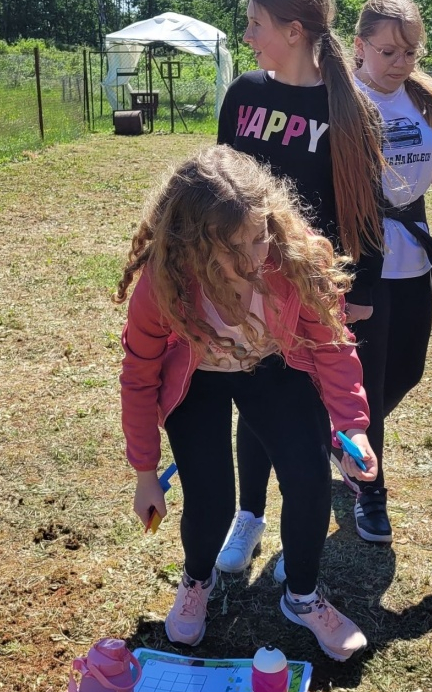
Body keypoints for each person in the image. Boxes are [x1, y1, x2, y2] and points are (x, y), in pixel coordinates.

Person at [116, 146, 378, 662]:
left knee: (308, 478)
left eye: (259, 235)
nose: (254, 256)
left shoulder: (293, 258)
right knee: (209, 499)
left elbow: (331, 342)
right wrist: (145, 472)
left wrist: (354, 426)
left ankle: (302, 595)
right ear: (192, 245)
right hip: (198, 380)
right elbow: (139, 377)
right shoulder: (164, 281)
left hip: (274, 366)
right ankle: (197, 578)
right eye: (232, 247)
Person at [215, 0, 392, 571]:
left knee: (309, 414)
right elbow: (220, 189)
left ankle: (302, 534)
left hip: (316, 294)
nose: (247, 35)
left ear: (294, 31)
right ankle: (248, 516)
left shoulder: (350, 108)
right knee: (252, 400)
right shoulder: (243, 95)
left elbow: (366, 211)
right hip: (245, 285)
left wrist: (362, 290)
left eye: (255, 24)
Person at [347, 0, 432, 524]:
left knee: (407, 370)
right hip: (359, 259)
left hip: (413, 254)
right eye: (388, 52)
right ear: (360, 46)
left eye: (410, 53)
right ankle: (370, 492)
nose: (400, 63)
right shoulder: (340, 100)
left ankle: (340, 434)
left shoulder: (425, 101)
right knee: (369, 380)